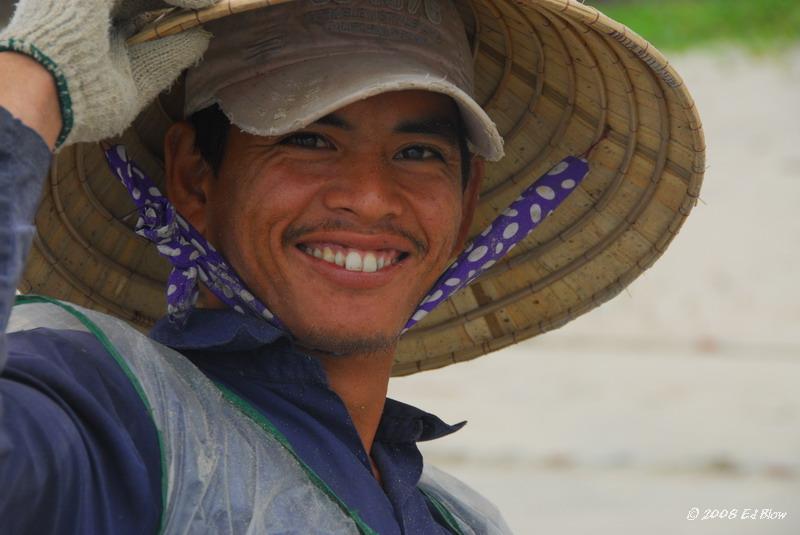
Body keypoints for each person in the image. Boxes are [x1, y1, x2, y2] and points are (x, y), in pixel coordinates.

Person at [0, 0, 705, 533]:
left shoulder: (460, 520)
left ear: (464, 209)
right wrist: (28, 85)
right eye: (308, 138)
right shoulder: (101, 413)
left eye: (419, 152)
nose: (370, 197)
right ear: (194, 174)